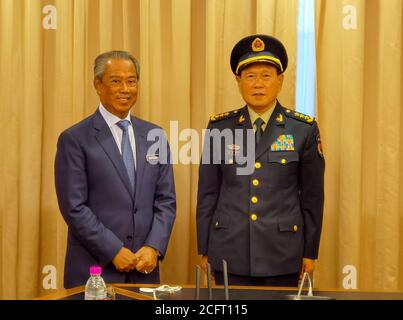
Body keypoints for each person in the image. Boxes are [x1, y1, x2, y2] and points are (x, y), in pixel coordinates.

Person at [196, 34, 325, 286]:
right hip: (229, 251)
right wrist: (204, 248)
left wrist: (310, 252)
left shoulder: (303, 129)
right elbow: (208, 193)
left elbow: (313, 197)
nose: (258, 84)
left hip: (283, 253)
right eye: (250, 76)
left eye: (266, 76)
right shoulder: (219, 127)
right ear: (238, 81)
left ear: (280, 80)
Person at [55, 51, 176, 289]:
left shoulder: (155, 135)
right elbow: (74, 207)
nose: (125, 88)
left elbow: (166, 200)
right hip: (94, 272)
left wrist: (153, 247)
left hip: (144, 270)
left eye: (132, 81)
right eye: (116, 81)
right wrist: (113, 249)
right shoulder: (75, 139)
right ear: (97, 85)